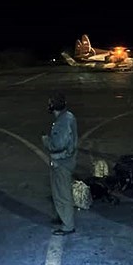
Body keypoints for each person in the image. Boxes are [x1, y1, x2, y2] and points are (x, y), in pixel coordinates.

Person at [42, 92, 78, 235]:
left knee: (62, 194)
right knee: (58, 192)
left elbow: (57, 145)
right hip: (66, 161)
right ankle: (62, 216)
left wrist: (46, 140)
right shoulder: (68, 116)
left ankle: (68, 225)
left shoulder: (62, 122)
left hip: (62, 162)